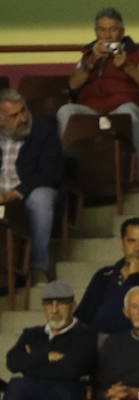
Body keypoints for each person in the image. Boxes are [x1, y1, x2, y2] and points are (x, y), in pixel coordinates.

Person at [58, 8, 139, 168]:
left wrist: (127, 66)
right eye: (102, 29)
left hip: (123, 109)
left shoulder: (138, 55)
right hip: (91, 111)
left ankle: (134, 181)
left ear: (122, 32)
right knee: (65, 112)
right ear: (96, 32)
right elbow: (72, 84)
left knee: (127, 113)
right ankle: (66, 178)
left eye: (113, 29)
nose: (107, 35)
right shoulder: (88, 55)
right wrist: (92, 60)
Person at [1, 281, 98, 400]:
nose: (54, 310)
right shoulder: (32, 334)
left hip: (67, 399)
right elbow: (12, 362)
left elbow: (71, 370)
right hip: (33, 397)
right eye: (49, 304)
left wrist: (30, 363)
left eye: (61, 304)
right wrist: (47, 356)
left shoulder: (85, 335)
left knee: (18, 384)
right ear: (43, 307)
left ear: (73, 307)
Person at [0, 89, 61, 285]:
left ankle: (38, 266)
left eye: (23, 111)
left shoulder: (44, 129)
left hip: (29, 190)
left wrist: (15, 194)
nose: (23, 118)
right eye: (14, 115)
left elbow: (50, 173)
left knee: (41, 198)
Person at [75, 217, 139, 333]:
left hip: (134, 344)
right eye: (131, 241)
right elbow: (81, 316)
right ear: (122, 243)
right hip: (94, 340)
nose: (137, 248)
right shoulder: (104, 274)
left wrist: (136, 277)